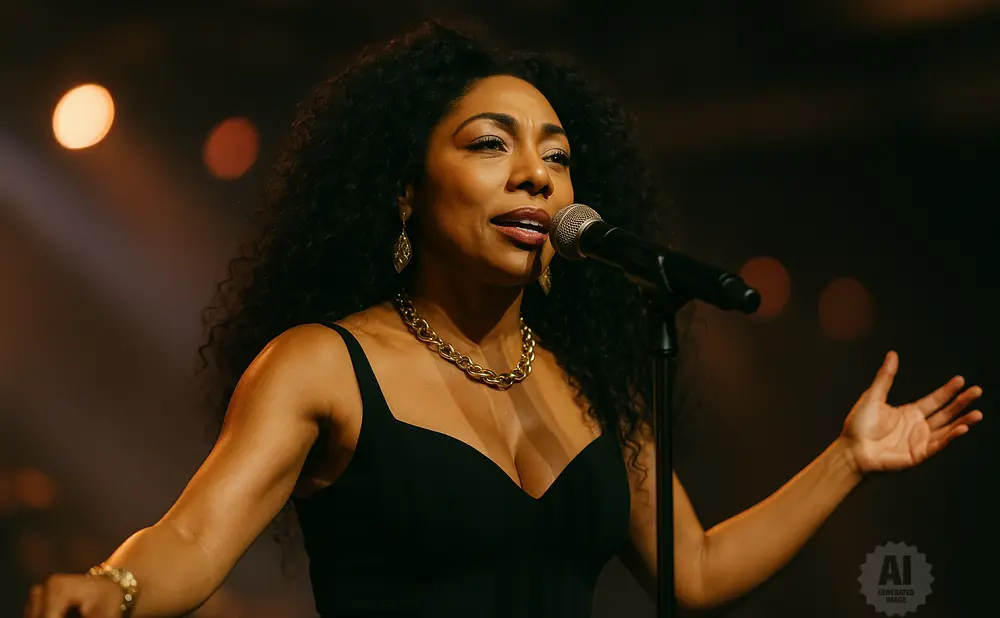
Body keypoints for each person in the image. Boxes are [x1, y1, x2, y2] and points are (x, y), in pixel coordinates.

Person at [24, 21, 984, 618]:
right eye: (491, 145)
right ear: (404, 193)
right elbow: (193, 538)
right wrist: (115, 589)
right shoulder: (322, 364)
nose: (536, 174)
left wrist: (848, 460)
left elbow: (693, 573)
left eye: (557, 157)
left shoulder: (592, 380)